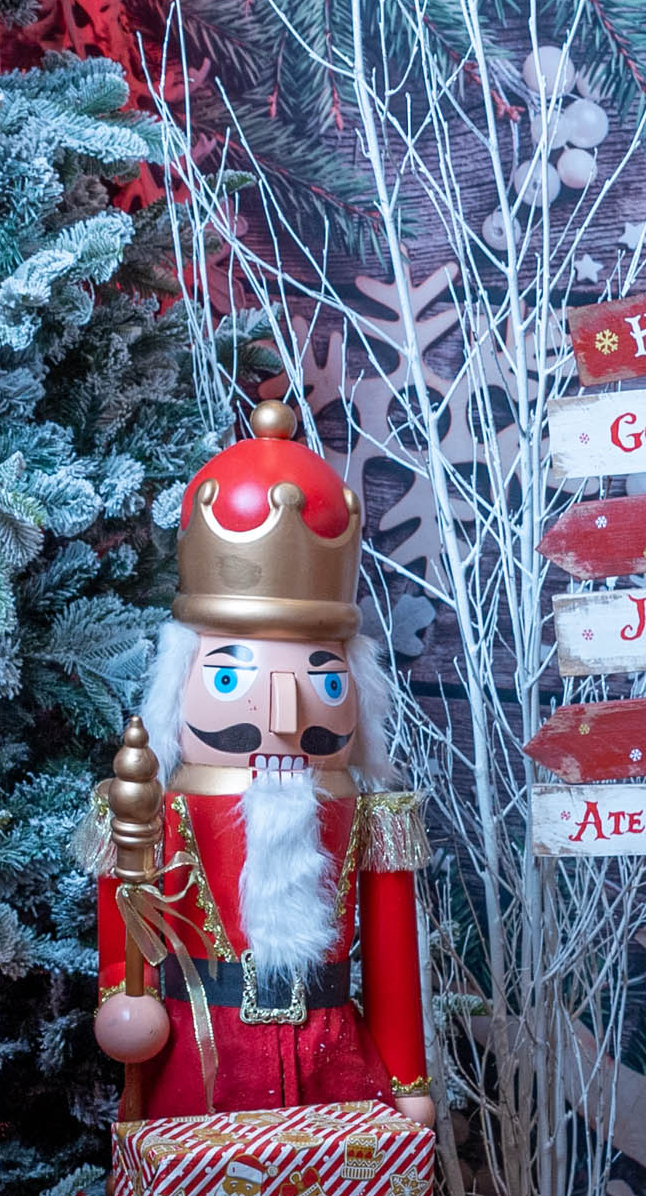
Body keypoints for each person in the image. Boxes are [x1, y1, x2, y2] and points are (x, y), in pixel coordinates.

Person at [91, 395, 432, 1131]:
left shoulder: (373, 814)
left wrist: (407, 1079)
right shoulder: (153, 804)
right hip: (198, 1063)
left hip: (335, 1065)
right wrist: (124, 997)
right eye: (230, 676)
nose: (285, 716)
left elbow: (393, 962)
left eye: (324, 677)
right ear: (178, 684)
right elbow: (128, 929)